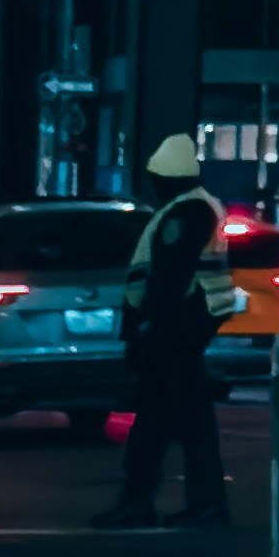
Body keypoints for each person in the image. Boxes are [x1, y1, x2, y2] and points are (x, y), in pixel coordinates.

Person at [103, 130, 237, 534]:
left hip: (173, 332)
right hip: (184, 330)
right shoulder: (199, 206)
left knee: (161, 422)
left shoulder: (185, 212)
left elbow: (169, 276)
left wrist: (147, 329)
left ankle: (145, 503)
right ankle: (197, 505)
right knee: (179, 423)